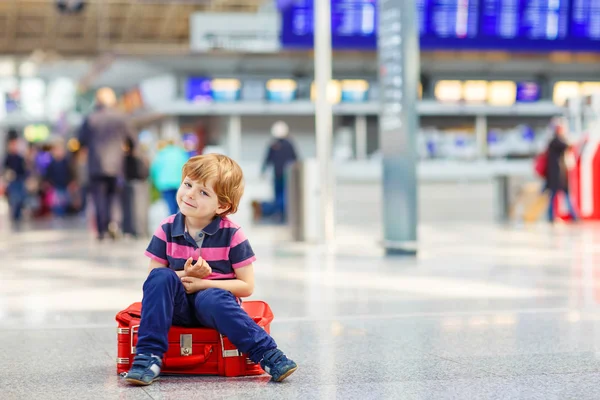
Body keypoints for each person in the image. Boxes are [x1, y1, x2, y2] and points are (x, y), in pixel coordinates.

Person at [125, 154, 297, 386]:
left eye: (203, 192)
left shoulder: (233, 234)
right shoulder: (166, 229)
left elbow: (246, 286)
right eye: (188, 184)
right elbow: (153, 279)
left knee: (212, 299)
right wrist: (186, 275)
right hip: (177, 308)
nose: (190, 194)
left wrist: (205, 283)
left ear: (222, 205)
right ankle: (148, 357)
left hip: (215, 307)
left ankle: (267, 354)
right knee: (161, 276)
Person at [78, 87, 136, 240]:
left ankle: (102, 229)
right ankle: (115, 224)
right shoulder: (121, 118)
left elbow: (80, 140)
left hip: (95, 165)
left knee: (99, 198)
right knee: (115, 196)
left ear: (97, 101)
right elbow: (132, 140)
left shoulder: (90, 118)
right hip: (116, 165)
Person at [252, 121, 298, 222]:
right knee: (282, 195)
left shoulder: (280, 144)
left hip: (282, 175)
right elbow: (295, 159)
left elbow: (267, 159)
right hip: (281, 175)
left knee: (282, 195)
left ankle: (282, 214)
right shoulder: (284, 144)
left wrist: (263, 171)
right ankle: (282, 214)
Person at [545, 123, 577, 222]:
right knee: (563, 195)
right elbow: (568, 145)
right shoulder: (556, 142)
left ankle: (552, 216)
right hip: (557, 176)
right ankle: (573, 215)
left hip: (555, 175)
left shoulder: (552, 142)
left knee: (555, 196)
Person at [150, 140, 189, 215]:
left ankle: (174, 222)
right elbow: (187, 167)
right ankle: (181, 221)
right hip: (179, 182)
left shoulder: (161, 154)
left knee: (171, 206)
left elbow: (154, 169)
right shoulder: (180, 153)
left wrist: (155, 182)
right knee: (182, 205)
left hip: (165, 184)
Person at [2, 132, 28, 223]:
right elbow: (4, 169)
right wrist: (7, 174)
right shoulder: (7, 157)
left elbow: (24, 170)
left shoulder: (20, 157)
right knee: (14, 199)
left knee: (20, 199)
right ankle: (14, 216)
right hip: (12, 182)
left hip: (19, 180)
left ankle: (19, 215)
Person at [44, 140, 73, 217]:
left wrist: (70, 182)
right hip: (55, 185)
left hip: (64, 184)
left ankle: (63, 214)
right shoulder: (52, 163)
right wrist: (48, 183)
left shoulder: (65, 162)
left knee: (64, 201)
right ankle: (57, 214)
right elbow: (48, 174)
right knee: (56, 202)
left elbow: (70, 173)